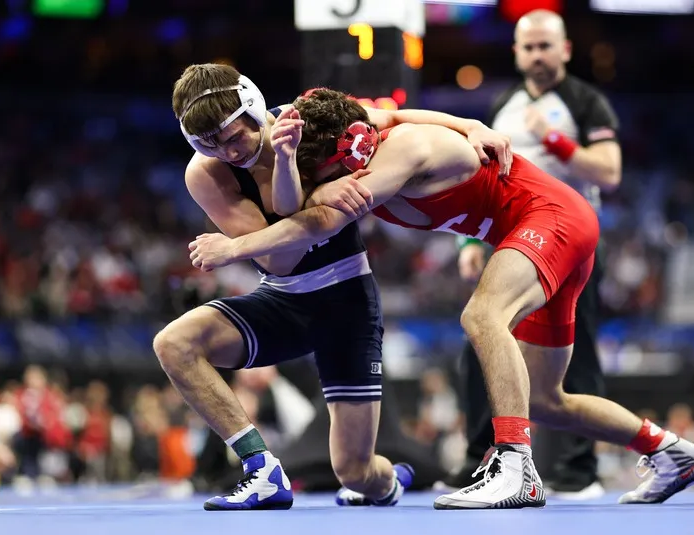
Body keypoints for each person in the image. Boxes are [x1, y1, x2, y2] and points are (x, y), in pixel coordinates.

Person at [188, 88, 694, 509]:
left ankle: (515, 466)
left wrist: (234, 247)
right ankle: (671, 452)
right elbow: (390, 114)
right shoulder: (353, 131)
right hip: (547, 232)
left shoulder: (399, 153)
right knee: (545, 399)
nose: (312, 186)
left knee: (482, 315)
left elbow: (317, 222)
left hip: (551, 218)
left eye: (318, 175)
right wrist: (469, 123)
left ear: (350, 154)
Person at [161, 63, 514, 510]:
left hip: (346, 303)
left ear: (253, 108)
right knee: (174, 344)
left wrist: (470, 125)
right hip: (284, 298)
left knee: (356, 472)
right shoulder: (206, 173)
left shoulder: (306, 120)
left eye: (234, 136)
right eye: (210, 145)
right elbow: (278, 260)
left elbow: (391, 117)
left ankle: (391, 480)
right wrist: (314, 192)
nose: (229, 152)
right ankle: (260, 469)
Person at [445, 8, 621, 500]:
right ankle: (477, 461)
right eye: (529, 47)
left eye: (546, 46)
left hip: (572, 243)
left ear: (565, 50)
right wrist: (469, 241)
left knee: (577, 357)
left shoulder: (585, 102)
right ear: (517, 52)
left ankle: (579, 470)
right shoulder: (503, 104)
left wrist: (555, 141)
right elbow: (479, 177)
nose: (538, 55)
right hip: (513, 242)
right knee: (480, 342)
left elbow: (609, 173)